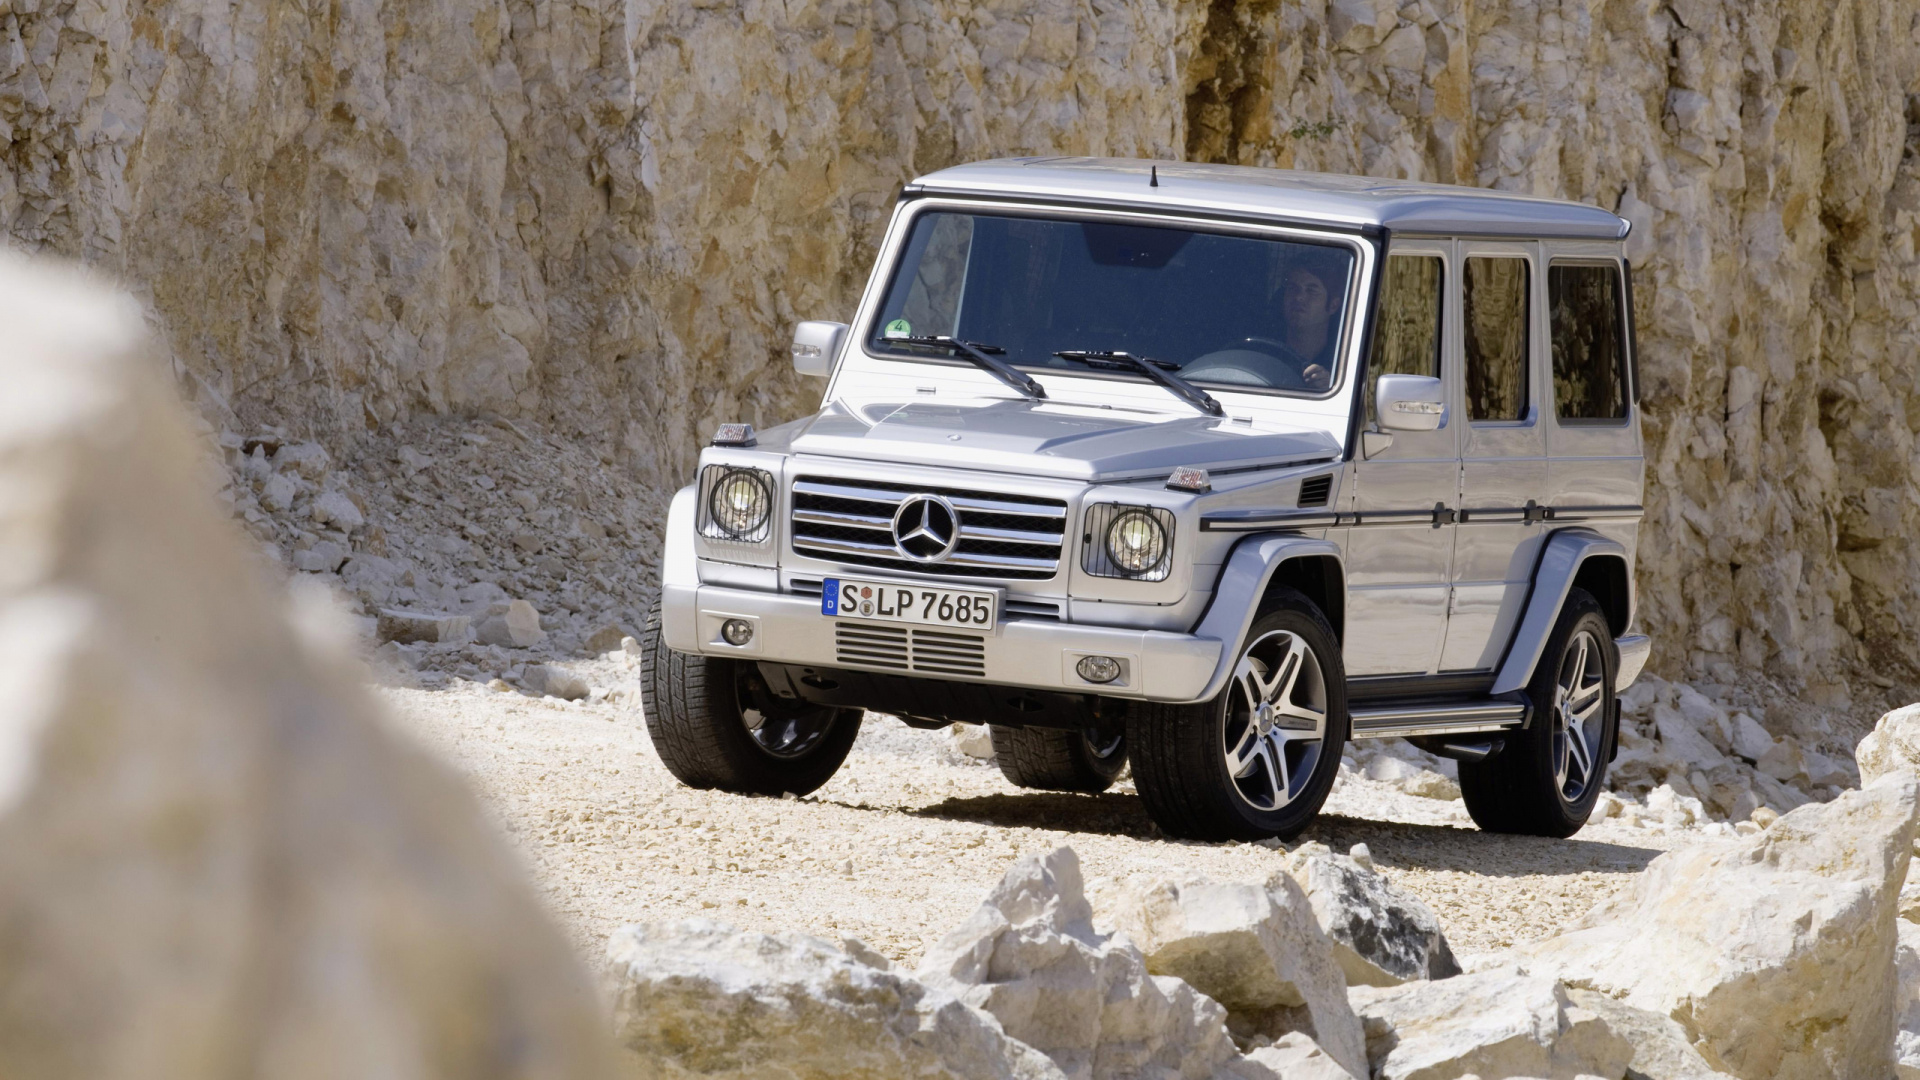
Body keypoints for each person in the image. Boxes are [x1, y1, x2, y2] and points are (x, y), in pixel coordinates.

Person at [1272, 259, 1346, 389]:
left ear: (1333, 305)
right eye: (1292, 288)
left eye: (1311, 291)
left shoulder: (1344, 362)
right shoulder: (1264, 351)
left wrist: (1329, 386)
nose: (1298, 297)